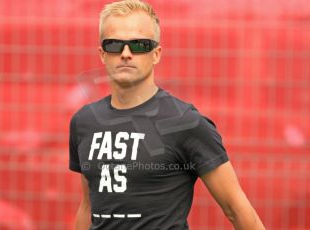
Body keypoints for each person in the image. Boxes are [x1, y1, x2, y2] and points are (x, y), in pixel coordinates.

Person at [69, 0, 265, 229]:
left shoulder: (185, 122)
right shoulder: (84, 122)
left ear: (156, 54)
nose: (125, 53)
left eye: (139, 45)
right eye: (114, 44)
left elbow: (237, 209)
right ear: (102, 54)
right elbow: (88, 207)